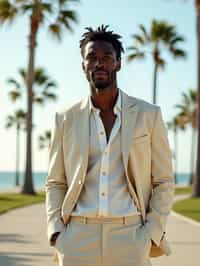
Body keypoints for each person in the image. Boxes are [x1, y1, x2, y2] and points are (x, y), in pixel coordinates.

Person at [45, 25, 174, 266]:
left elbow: (163, 180)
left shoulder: (149, 115)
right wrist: (56, 231)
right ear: (83, 65)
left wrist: (151, 233)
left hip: (131, 236)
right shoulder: (65, 118)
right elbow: (56, 181)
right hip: (77, 239)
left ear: (118, 63)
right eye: (91, 57)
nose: (99, 63)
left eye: (106, 57)